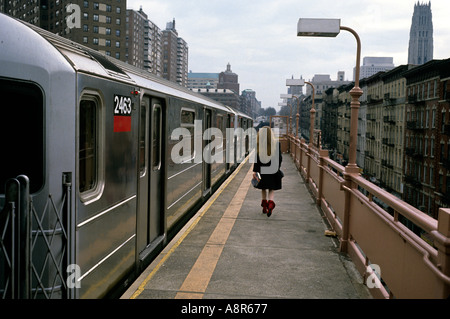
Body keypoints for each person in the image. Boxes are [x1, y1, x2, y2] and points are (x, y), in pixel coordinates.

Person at [252, 126, 283, 217]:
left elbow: (256, 159)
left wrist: (255, 171)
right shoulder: (277, 144)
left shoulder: (258, 144)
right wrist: (277, 168)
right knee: (271, 188)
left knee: (263, 188)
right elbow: (280, 158)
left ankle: (264, 206)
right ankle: (270, 203)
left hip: (262, 171)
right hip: (273, 170)